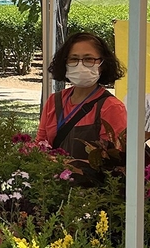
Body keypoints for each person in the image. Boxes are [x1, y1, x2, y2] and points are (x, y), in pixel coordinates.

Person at [37, 32, 128, 172]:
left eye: (88, 59)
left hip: (91, 190)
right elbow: (40, 144)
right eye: (73, 59)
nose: (80, 65)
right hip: (51, 185)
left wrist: (67, 164)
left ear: (102, 64)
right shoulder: (53, 101)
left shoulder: (111, 107)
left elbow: (114, 159)